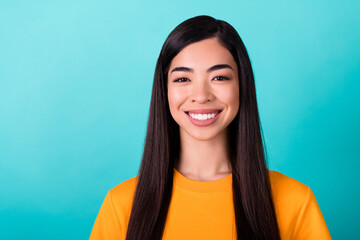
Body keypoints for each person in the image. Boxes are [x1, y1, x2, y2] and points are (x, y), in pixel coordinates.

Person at [89, 15, 331, 240]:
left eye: (219, 77)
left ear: (241, 86)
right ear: (164, 91)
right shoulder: (121, 205)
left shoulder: (295, 201)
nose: (201, 95)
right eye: (183, 79)